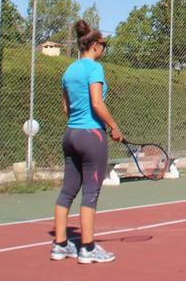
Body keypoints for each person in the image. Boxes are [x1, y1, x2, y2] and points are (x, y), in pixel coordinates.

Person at [50, 19, 122, 264]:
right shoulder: (94, 69)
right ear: (93, 46)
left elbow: (65, 107)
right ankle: (88, 248)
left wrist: (80, 123)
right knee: (91, 192)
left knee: (67, 190)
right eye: (103, 45)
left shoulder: (69, 70)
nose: (103, 49)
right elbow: (97, 103)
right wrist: (113, 127)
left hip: (70, 134)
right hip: (91, 136)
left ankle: (60, 245)